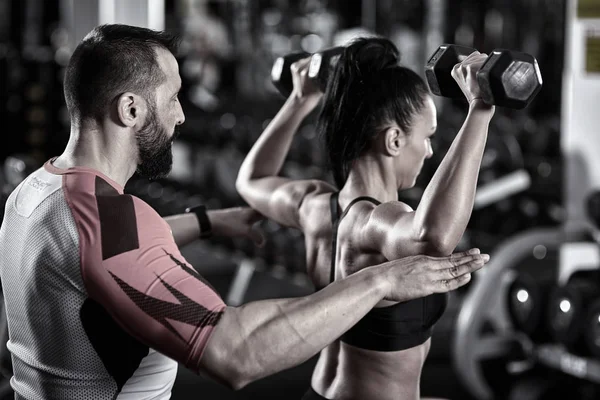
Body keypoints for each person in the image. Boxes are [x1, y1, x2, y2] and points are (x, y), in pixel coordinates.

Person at [0, 25, 488, 400]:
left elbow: (93, 258)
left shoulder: (31, 195)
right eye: (172, 99)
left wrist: (209, 221)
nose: (182, 116)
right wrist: (381, 281)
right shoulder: (111, 221)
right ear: (130, 110)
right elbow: (237, 354)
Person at [236, 37, 495, 400]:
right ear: (393, 140)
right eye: (428, 137)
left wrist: (299, 100)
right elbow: (431, 238)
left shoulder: (314, 206)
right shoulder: (376, 222)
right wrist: (480, 110)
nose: (431, 150)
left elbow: (252, 179)